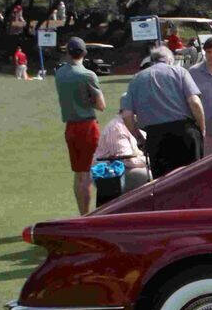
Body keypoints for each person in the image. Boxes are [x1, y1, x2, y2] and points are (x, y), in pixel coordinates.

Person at [120, 45, 205, 179]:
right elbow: (194, 102)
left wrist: (139, 139)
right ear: (170, 60)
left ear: (152, 60)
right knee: (193, 180)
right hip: (185, 133)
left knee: (163, 185)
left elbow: (126, 115)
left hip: (156, 138)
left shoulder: (136, 79)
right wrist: (201, 128)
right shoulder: (180, 72)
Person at [54, 37, 105, 215]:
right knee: (88, 173)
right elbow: (101, 105)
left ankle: (82, 213)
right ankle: (87, 215)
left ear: (68, 52)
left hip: (71, 127)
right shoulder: (87, 75)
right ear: (84, 53)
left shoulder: (60, 73)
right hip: (87, 126)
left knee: (78, 173)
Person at [92, 111, 150, 203]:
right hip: (113, 174)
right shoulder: (117, 128)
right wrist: (149, 161)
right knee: (149, 176)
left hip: (127, 168)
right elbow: (127, 161)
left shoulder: (134, 125)